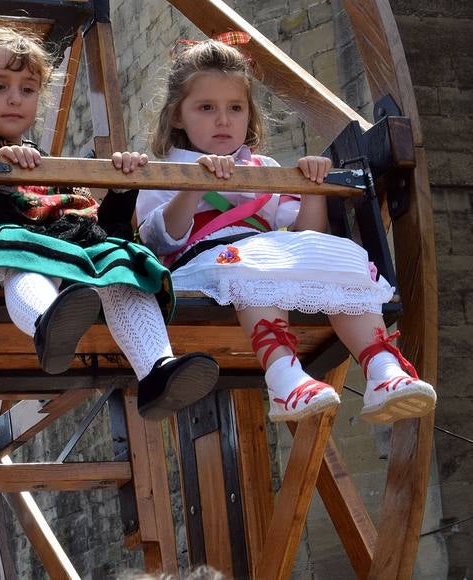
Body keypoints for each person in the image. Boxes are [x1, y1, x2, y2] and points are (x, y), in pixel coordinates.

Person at [136, 35, 436, 424]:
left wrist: (309, 189)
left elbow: (304, 236)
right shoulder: (165, 172)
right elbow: (158, 240)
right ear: (178, 115)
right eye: (206, 108)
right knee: (248, 263)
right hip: (206, 263)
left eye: (235, 108)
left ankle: (382, 367)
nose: (223, 120)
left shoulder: (264, 167)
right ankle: (284, 378)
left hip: (267, 253)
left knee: (342, 254)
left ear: (249, 114)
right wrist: (193, 185)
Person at [0, 22, 219, 421]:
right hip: (6, 256)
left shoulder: (50, 164)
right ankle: (46, 323)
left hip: (70, 260)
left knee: (120, 263)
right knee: (21, 252)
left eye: (28, 89)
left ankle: (156, 369)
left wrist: (122, 187)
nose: (15, 98)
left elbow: (97, 227)